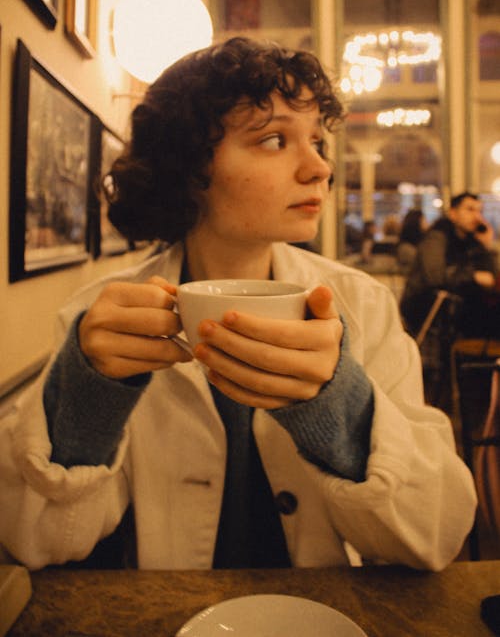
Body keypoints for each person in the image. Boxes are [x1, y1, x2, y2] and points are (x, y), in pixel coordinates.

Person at [0, 37, 476, 573]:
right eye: (274, 140)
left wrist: (337, 405)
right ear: (188, 167)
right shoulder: (106, 319)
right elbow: (38, 539)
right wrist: (88, 395)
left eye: (317, 141)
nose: (319, 168)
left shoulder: (360, 306)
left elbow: (437, 533)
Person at [400, 192, 498, 339]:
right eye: (470, 210)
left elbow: (493, 276)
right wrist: (473, 276)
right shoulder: (437, 237)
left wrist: (486, 246)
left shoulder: (471, 241)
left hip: (457, 308)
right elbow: (435, 278)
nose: (477, 217)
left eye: (479, 211)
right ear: (453, 214)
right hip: (426, 307)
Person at [397, 208, 428, 275]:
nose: (427, 223)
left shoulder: (422, 242)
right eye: (424, 220)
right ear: (417, 222)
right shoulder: (406, 248)